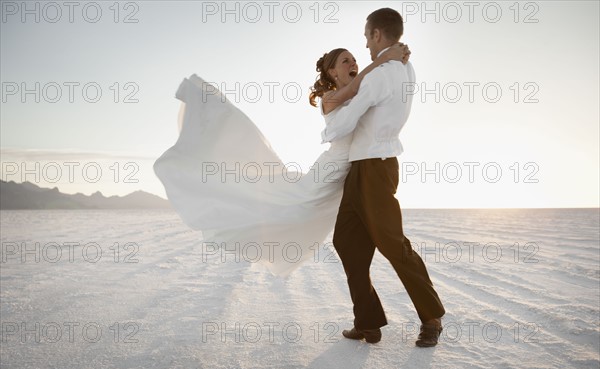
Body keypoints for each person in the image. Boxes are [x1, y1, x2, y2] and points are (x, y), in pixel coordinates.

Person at [154, 44, 409, 277]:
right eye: (346, 61)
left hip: (350, 171)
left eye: (354, 60)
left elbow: (370, 89)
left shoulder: (358, 94)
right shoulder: (329, 99)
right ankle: (231, 217)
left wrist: (394, 61)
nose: (353, 64)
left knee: (301, 211)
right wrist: (385, 57)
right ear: (332, 72)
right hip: (331, 170)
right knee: (291, 206)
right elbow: (357, 87)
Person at [321, 8, 446, 347]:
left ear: (377, 34)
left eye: (365, 37)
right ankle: (368, 321)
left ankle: (431, 318)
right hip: (362, 168)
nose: (364, 45)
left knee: (392, 244)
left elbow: (346, 121)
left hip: (375, 167)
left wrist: (329, 128)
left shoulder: (381, 74)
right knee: (347, 241)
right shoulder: (405, 67)